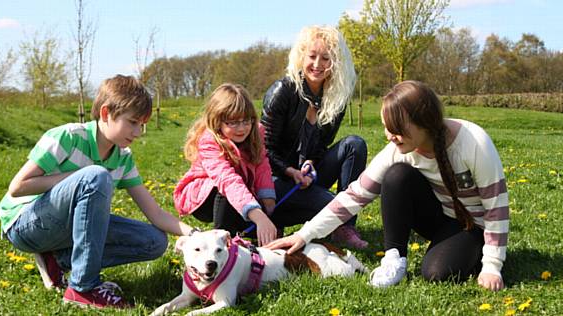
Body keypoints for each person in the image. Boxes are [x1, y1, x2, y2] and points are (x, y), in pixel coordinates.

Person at [267, 80, 509, 291]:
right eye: (386, 126)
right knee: (396, 176)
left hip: (474, 225)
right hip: (439, 219)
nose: (389, 135)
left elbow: (496, 208)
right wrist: (304, 234)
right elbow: (355, 195)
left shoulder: (473, 143)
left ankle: (474, 250)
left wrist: (492, 266)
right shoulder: (398, 150)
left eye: (397, 129)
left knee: (437, 274)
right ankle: (394, 258)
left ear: (424, 122)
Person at [0, 75, 196, 309]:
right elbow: (18, 187)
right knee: (96, 176)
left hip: (65, 230)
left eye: (141, 124)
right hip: (25, 224)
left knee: (154, 242)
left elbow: (155, 214)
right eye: (132, 122)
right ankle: (82, 288)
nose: (138, 132)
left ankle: (59, 259)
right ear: (105, 113)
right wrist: (82, 176)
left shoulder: (122, 158)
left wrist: (195, 234)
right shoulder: (67, 137)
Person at [260, 25, 368, 249]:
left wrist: (311, 162)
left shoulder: (336, 98)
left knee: (354, 145)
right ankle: (275, 218)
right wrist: (291, 171)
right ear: (301, 56)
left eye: (326, 58)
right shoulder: (283, 91)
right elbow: (263, 149)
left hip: (307, 175)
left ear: (336, 62)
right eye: (312, 56)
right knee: (333, 205)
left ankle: (344, 227)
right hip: (277, 179)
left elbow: (322, 145)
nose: (317, 65)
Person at [173, 83, 278, 246]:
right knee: (228, 192)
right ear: (217, 122)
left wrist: (268, 199)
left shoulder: (256, 132)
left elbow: (262, 164)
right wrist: (258, 215)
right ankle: (222, 243)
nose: (242, 128)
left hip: (240, 192)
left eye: (246, 120)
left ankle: (260, 239)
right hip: (206, 198)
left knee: (263, 205)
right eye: (233, 122)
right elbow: (227, 181)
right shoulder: (209, 140)